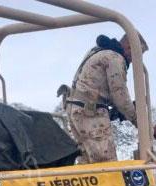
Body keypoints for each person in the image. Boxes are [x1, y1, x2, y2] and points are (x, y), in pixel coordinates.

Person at [60, 34, 145, 163]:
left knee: (87, 161)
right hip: (90, 114)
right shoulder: (115, 58)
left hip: (76, 108)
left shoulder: (98, 51)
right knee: (106, 163)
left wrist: (118, 109)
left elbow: (98, 87)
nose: (133, 60)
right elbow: (119, 94)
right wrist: (138, 121)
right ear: (129, 47)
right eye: (137, 55)